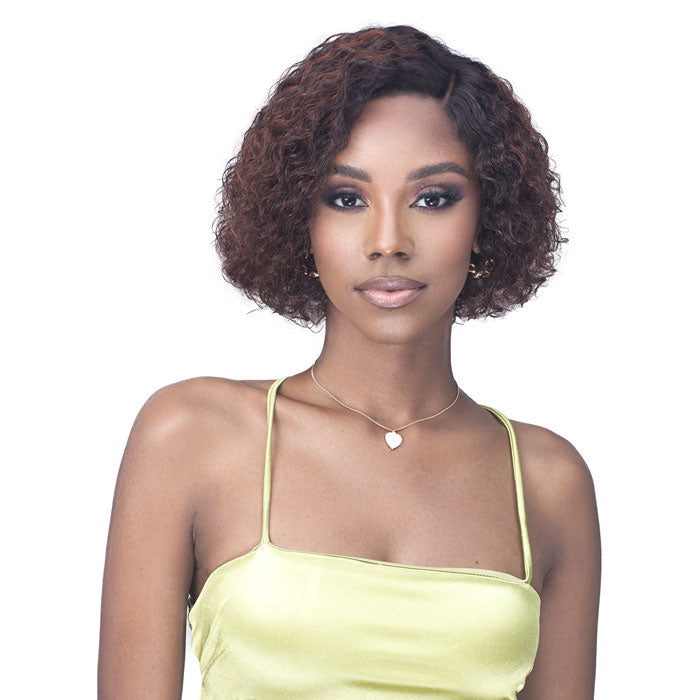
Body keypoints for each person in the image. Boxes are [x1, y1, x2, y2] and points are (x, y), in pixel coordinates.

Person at [98, 24, 601, 700]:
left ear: (488, 219)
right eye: (346, 198)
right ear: (298, 220)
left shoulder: (545, 481)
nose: (388, 241)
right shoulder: (192, 436)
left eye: (433, 198)